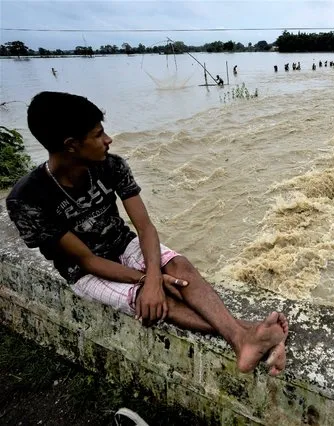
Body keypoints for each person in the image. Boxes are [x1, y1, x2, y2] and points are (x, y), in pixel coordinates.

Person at [6, 92, 288, 376]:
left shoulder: (111, 166)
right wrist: (148, 282)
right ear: (71, 145)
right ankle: (249, 333)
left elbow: (145, 227)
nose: (108, 140)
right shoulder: (28, 199)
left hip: (122, 243)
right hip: (84, 271)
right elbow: (87, 260)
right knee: (152, 301)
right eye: (98, 134)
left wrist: (156, 273)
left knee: (180, 267)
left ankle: (244, 339)